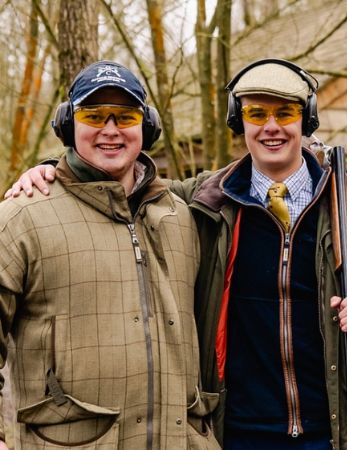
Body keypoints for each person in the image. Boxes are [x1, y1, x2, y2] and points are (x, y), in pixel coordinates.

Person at [6, 59, 347, 450]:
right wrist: (52, 171)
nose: (271, 126)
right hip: (236, 431)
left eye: (286, 112)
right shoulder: (203, 203)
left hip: (337, 430)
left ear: (308, 119)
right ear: (238, 120)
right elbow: (114, 183)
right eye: (256, 112)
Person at [0, 61, 220, 449]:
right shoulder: (22, 217)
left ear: (146, 126)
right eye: (94, 115)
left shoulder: (179, 216)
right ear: (69, 125)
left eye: (125, 115)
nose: (111, 129)